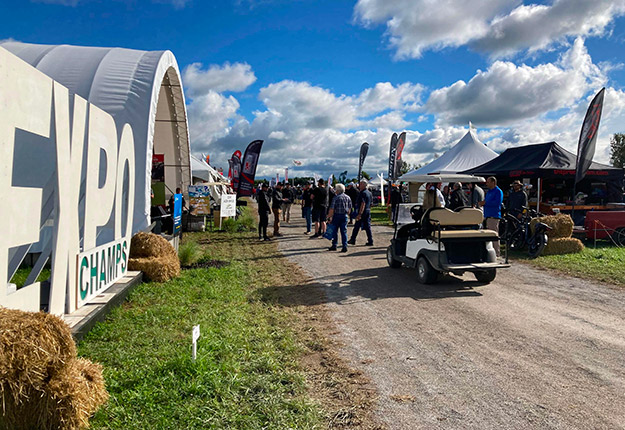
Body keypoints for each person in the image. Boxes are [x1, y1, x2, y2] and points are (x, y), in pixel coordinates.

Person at [479, 176, 504, 257]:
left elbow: (497, 203)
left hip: (494, 216)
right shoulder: (489, 192)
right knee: (487, 236)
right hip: (487, 216)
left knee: (494, 235)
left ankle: (496, 253)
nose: (487, 184)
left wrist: (485, 203)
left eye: (488, 182)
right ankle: (489, 252)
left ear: (493, 182)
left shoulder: (498, 191)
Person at [326, 183, 352, 252]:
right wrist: (348, 215)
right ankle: (344, 246)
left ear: (338, 190)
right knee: (344, 232)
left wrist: (329, 217)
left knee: (335, 231)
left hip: (337, 215)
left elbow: (332, 209)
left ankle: (334, 245)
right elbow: (350, 208)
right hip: (344, 216)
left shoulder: (336, 198)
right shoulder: (348, 197)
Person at [348, 180, 374, 246]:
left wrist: (359, 214)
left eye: (360, 184)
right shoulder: (369, 193)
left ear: (364, 185)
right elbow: (371, 203)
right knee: (367, 227)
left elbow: (363, 203)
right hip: (367, 211)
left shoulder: (362, 193)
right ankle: (370, 240)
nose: (359, 186)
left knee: (357, 226)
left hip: (362, 211)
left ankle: (353, 239)